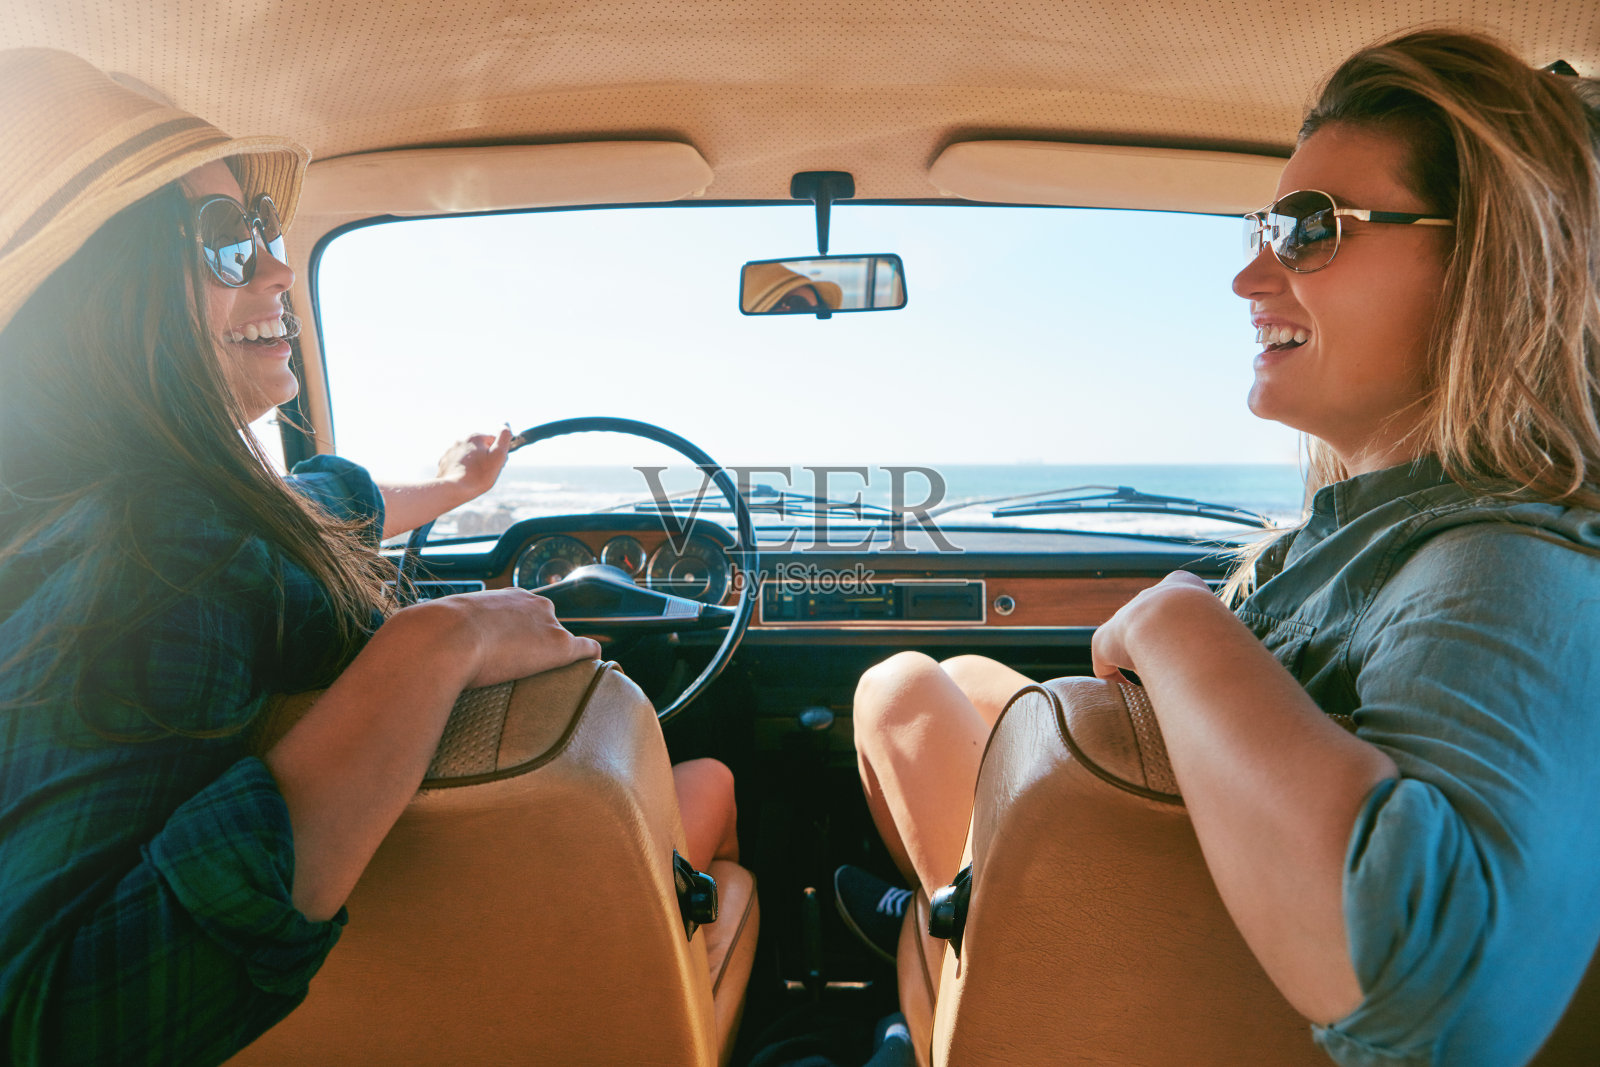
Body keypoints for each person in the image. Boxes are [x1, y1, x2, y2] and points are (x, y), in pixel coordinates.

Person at [842, 30, 1600, 1065]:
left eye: (1306, 228)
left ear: (1494, 261)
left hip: (1130, 1015)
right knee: (948, 679)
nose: (1250, 275)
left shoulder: (1509, 561)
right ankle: (953, 910)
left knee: (910, 690)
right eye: (1262, 226)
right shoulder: (1382, 532)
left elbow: (1442, 1004)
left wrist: (1178, 618)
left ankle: (950, 927)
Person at [0, 48, 736, 1066]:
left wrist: (457, 487)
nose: (275, 264)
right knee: (713, 783)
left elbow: (325, 503)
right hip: (510, 984)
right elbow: (56, 1016)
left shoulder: (138, 517)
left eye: (263, 229)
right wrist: (439, 640)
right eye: (224, 242)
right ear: (98, 294)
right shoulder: (161, 553)